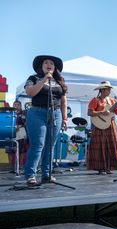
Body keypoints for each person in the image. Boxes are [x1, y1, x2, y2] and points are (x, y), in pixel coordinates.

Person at [24, 55, 68, 185]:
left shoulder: (60, 81)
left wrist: (65, 118)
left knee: (50, 145)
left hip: (55, 114)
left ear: (55, 68)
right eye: (46, 63)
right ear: (41, 66)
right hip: (37, 113)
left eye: (52, 64)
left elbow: (64, 101)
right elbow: (30, 92)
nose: (49, 65)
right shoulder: (33, 78)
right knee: (38, 145)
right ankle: (30, 175)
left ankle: (46, 174)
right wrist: (44, 80)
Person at [87, 80, 117, 174]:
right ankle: (100, 167)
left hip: (110, 125)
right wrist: (101, 113)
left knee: (111, 146)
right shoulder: (95, 100)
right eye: (108, 89)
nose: (109, 91)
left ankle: (109, 167)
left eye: (109, 89)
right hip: (98, 126)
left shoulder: (112, 100)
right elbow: (89, 112)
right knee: (99, 147)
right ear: (103, 90)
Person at [6, 100, 28, 170]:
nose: (16, 106)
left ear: (20, 106)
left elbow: (26, 122)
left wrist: (19, 126)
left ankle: (20, 164)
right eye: (15, 104)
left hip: (21, 130)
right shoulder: (10, 112)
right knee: (9, 148)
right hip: (11, 130)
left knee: (21, 148)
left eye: (18, 104)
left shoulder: (24, 112)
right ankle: (10, 165)